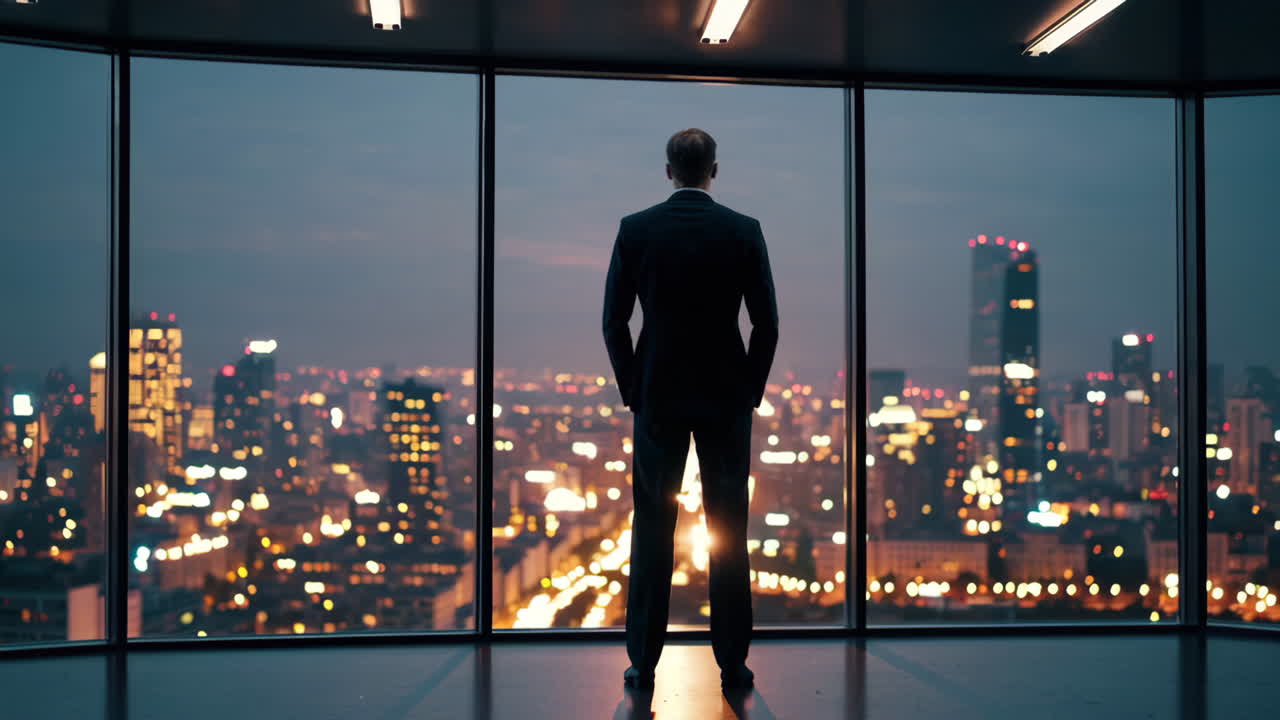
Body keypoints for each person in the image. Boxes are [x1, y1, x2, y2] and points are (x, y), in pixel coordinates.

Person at [602, 128, 778, 692]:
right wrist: (748, 389)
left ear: (668, 170)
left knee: (653, 525)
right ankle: (732, 661)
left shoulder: (636, 230)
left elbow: (614, 322)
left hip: (659, 397)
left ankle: (643, 661)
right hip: (726, 396)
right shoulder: (743, 231)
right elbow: (766, 325)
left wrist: (636, 387)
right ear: (714, 171)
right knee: (728, 527)